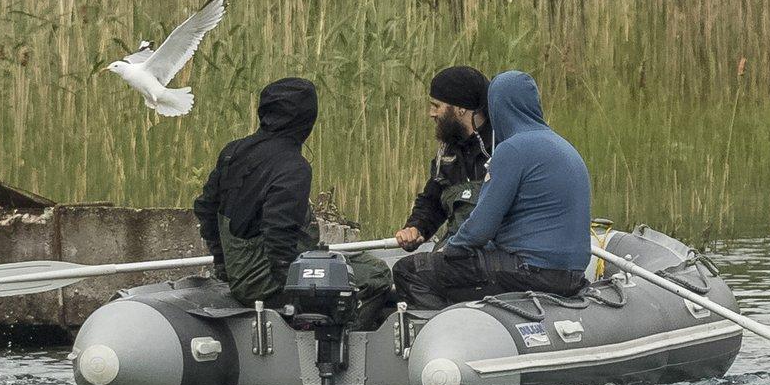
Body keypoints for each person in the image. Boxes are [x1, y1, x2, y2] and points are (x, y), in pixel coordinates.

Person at [389, 70, 590, 309]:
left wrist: (447, 252)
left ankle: (443, 333)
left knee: (410, 271)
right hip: (571, 272)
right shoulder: (563, 146)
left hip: (529, 269)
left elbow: (480, 228)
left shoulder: (511, 150)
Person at [193, 78, 389, 319]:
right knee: (375, 273)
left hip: (239, 278)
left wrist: (223, 265)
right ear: (307, 119)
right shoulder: (294, 167)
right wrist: (298, 289)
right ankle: (339, 339)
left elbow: (205, 208)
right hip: (267, 284)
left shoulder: (233, 151)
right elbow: (279, 234)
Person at [394, 66, 492, 253]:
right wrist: (416, 228)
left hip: (494, 251)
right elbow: (433, 199)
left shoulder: (501, 147)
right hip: (459, 249)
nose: (432, 113)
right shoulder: (448, 150)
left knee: (407, 272)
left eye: (436, 106)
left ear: (461, 109)